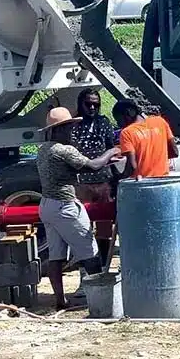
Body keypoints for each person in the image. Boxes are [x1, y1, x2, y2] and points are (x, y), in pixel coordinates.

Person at [37, 106, 120, 309]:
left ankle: (60, 300)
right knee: (89, 252)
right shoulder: (64, 150)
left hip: (47, 205)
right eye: (68, 127)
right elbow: (92, 166)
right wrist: (111, 151)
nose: (72, 131)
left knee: (56, 256)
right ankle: (99, 300)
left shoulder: (43, 150)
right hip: (65, 207)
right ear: (59, 130)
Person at [68, 88, 119, 267]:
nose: (92, 107)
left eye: (95, 104)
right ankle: (86, 272)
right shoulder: (73, 125)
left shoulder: (104, 122)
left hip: (103, 181)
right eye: (88, 104)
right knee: (82, 229)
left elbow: (111, 147)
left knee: (104, 228)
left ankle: (103, 267)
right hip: (81, 183)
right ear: (80, 104)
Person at [112, 99, 178, 179]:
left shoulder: (127, 132)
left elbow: (132, 166)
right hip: (163, 180)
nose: (119, 124)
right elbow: (175, 152)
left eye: (119, 119)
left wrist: (120, 177)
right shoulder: (160, 121)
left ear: (128, 113)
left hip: (142, 183)